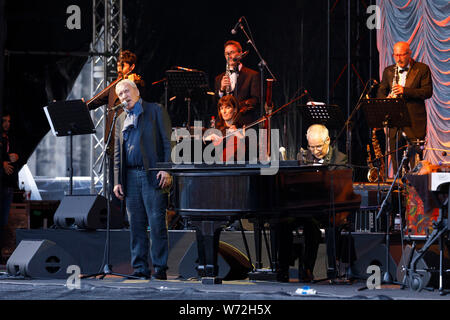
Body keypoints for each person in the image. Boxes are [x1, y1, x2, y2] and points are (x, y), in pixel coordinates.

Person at [112, 79, 172, 280]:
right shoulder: (120, 119)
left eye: (126, 91)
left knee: (156, 223)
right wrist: (117, 180)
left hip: (152, 174)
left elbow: (168, 143)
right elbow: (118, 154)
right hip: (129, 177)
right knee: (135, 225)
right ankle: (139, 268)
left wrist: (166, 170)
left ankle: (160, 268)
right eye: (120, 94)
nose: (123, 97)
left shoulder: (155, 110)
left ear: (136, 91)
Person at [277, 124, 349, 282]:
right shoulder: (303, 156)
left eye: (318, 146)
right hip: (304, 208)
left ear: (328, 140)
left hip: (326, 209)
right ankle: (282, 269)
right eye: (311, 146)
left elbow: (339, 188)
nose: (315, 151)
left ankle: (307, 269)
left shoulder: (339, 158)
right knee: (281, 223)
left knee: (312, 228)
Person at [87, 50, 144, 223]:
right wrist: (83, 106)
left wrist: (132, 83)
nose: (120, 68)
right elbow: (97, 100)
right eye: (119, 64)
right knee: (115, 184)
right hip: (113, 142)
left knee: (130, 184)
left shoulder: (136, 83)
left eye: (124, 65)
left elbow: (137, 95)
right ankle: (117, 219)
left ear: (132, 67)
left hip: (130, 143)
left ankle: (133, 220)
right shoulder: (115, 85)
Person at [376, 41, 433, 171]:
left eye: (402, 55)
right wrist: (386, 99)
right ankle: (398, 187)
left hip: (414, 120)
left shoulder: (422, 69)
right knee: (396, 158)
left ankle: (415, 188)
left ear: (409, 54)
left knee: (415, 159)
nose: (399, 59)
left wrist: (404, 90)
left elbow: (427, 92)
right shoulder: (388, 71)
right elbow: (381, 91)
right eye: (396, 55)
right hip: (394, 120)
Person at [214, 40, 261, 126]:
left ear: (240, 53)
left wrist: (235, 106)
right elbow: (215, 104)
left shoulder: (252, 75)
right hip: (223, 126)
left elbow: (256, 100)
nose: (229, 56)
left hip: (244, 124)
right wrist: (221, 90)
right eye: (226, 54)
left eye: (231, 52)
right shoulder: (219, 78)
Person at [1, 112, 20, 262]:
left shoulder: (11, 138)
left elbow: (16, 155)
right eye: (4, 121)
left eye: (9, 121)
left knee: (3, 221)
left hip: (8, 184)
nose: (7, 123)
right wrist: (3, 163)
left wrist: (15, 158)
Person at [205, 95, 246, 162]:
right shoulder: (217, 129)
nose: (224, 111)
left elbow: (250, 153)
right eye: (221, 108)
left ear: (235, 110)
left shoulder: (241, 128)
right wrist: (208, 139)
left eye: (227, 108)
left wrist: (241, 137)